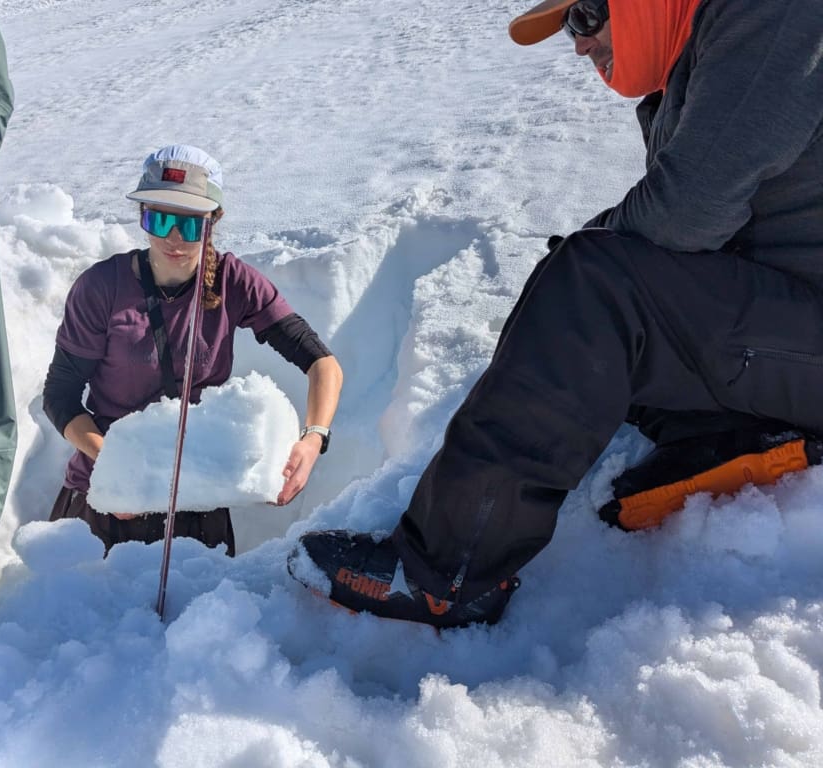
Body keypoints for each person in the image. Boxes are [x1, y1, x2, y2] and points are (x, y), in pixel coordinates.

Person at [289, 0, 823, 628]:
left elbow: (684, 216)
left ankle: (443, 573)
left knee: (596, 290)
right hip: (791, 326)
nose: (579, 44)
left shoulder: (774, 13)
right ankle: (723, 439)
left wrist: (586, 261)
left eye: (588, 15)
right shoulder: (703, 58)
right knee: (588, 319)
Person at [44, 144, 343, 556]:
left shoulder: (234, 283)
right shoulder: (101, 288)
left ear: (212, 222)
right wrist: (117, 461)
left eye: (189, 225)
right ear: (142, 217)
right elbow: (59, 396)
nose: (173, 238)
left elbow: (321, 363)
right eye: (159, 218)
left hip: (198, 500)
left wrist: (313, 440)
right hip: (110, 497)